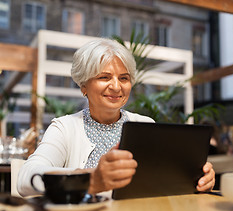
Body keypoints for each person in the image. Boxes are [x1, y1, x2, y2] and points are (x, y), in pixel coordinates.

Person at [17, 38, 215, 197]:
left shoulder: (146, 126)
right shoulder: (64, 128)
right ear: (83, 86)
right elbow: (26, 178)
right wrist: (92, 179)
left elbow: (164, 182)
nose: (116, 86)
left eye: (124, 78)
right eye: (104, 77)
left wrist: (198, 178)